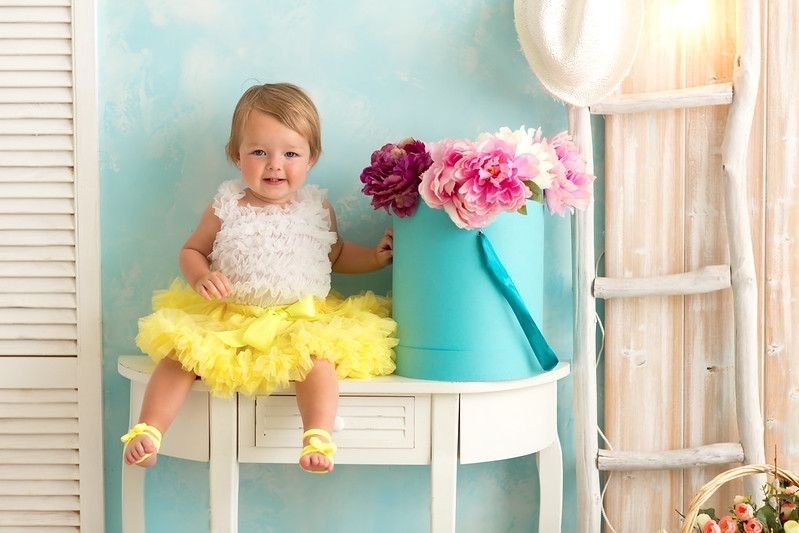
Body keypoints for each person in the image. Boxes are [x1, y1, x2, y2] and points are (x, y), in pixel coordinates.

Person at [121, 83, 397, 474]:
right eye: (259, 152)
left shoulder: (317, 208)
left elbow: (333, 255)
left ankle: (317, 435)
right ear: (237, 155)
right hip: (230, 316)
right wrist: (201, 276)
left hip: (299, 321)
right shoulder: (226, 206)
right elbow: (191, 251)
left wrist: (373, 257)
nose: (274, 164)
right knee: (181, 356)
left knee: (318, 364)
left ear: (311, 157)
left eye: (290, 153)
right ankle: (149, 431)